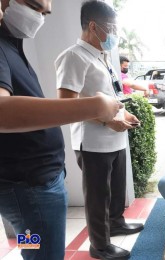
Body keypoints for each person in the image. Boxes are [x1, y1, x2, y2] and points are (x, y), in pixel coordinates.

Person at [0, 0, 122, 259]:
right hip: (26, 184)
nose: (39, 18)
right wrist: (98, 107)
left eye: (45, 12)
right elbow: (2, 111)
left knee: (35, 244)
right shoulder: (71, 56)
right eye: (34, 7)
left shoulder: (12, 45)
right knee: (42, 251)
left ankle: (27, 248)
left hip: (41, 178)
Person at [55, 1, 144, 259]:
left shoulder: (102, 57)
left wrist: (124, 114)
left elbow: (110, 96)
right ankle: (99, 245)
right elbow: (66, 105)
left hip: (114, 138)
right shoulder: (73, 56)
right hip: (92, 142)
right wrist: (106, 121)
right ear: (93, 26)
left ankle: (115, 223)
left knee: (116, 190)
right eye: (112, 28)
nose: (115, 34)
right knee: (97, 197)